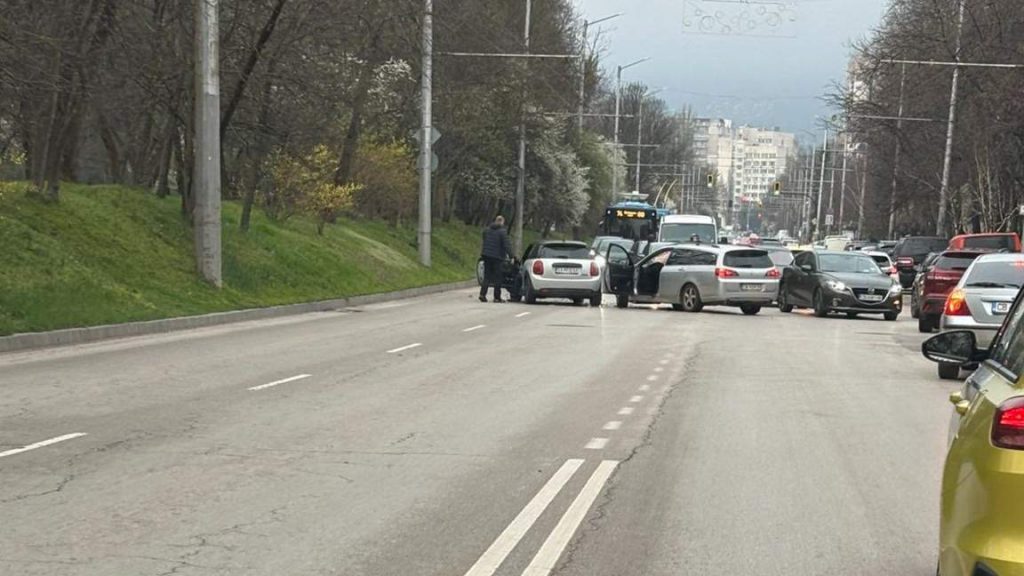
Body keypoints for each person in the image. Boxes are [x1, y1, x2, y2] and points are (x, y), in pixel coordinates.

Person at [479, 215, 513, 302]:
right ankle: (497, 297)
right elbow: (506, 245)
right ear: (502, 222)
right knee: (498, 277)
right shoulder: (502, 232)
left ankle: (482, 294)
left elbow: (484, 239)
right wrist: (512, 256)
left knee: (487, 276)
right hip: (497, 257)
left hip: (486, 255)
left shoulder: (487, 230)